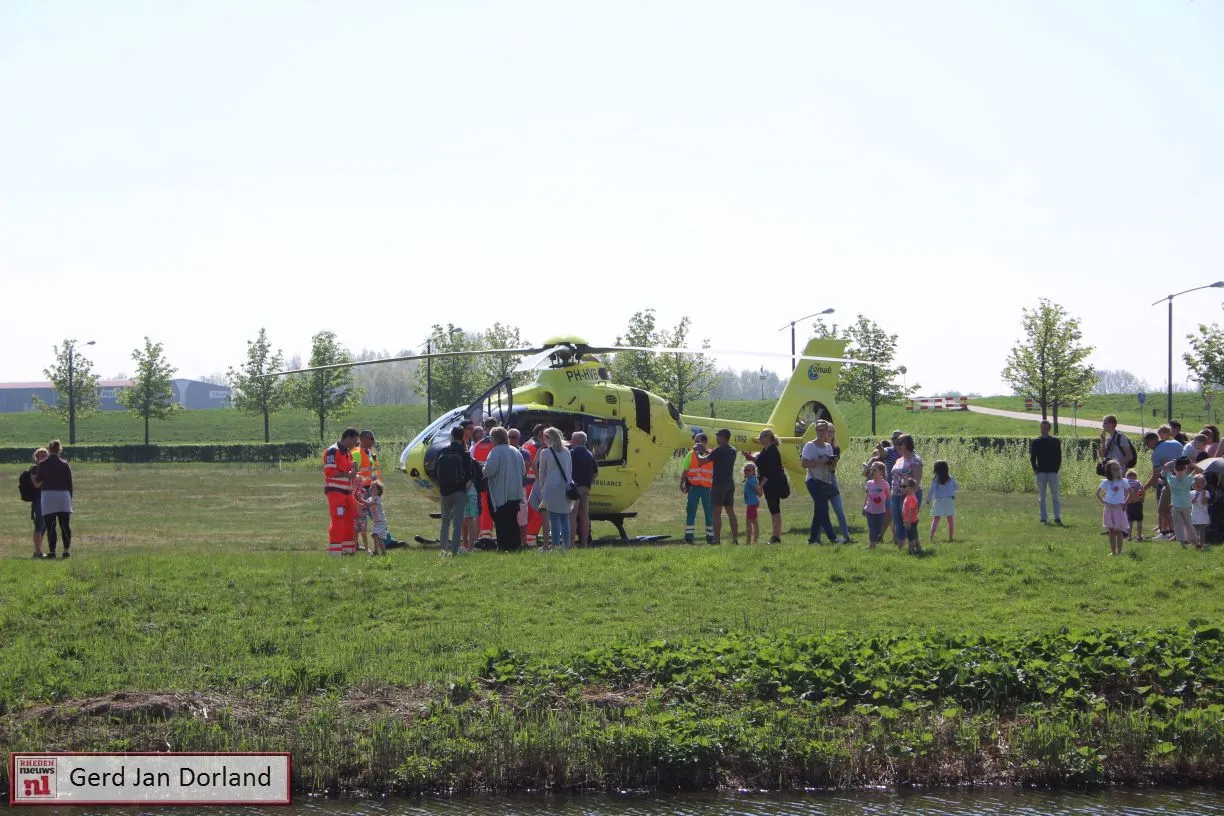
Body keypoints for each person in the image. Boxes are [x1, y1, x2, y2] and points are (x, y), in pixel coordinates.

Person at [481, 426, 525, 552]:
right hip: (515, 493)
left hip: (501, 493)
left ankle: (504, 546)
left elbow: (489, 471)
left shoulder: (495, 452)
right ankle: (516, 546)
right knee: (513, 521)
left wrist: (482, 468)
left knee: (501, 522)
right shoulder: (516, 451)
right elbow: (523, 470)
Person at [535, 427, 576, 551]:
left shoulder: (546, 452)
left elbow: (542, 473)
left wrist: (542, 489)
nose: (543, 439)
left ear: (548, 438)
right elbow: (569, 471)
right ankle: (566, 545)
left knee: (554, 517)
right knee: (564, 517)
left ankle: (555, 545)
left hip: (551, 487)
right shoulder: (567, 452)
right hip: (565, 487)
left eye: (544, 437)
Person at [322, 429, 361, 556]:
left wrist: (353, 467)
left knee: (349, 519)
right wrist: (348, 473)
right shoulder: (333, 450)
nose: (356, 444)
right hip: (335, 491)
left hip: (347, 491)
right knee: (338, 519)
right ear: (348, 438)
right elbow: (329, 471)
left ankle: (348, 550)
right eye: (355, 441)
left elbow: (347, 468)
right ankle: (335, 552)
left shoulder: (347, 453)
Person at [745, 428, 787, 543]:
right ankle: (775, 536)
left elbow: (770, 471)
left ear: (770, 438)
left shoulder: (772, 451)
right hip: (770, 484)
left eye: (763, 436)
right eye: (760, 436)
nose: (760, 438)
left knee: (775, 510)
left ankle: (776, 536)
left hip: (773, 484)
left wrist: (761, 485)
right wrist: (751, 458)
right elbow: (761, 463)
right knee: (773, 509)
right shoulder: (765, 450)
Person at [436, 426, 473, 556]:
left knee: (445, 521)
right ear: (462, 436)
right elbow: (469, 475)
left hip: (445, 491)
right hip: (459, 490)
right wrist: (464, 489)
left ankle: (442, 550)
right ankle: (455, 550)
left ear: (451, 436)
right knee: (457, 523)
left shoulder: (442, 451)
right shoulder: (465, 453)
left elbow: (436, 472)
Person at [801, 420, 838, 545]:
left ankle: (812, 539)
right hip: (813, 481)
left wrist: (832, 464)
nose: (822, 432)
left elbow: (830, 466)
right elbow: (804, 463)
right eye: (819, 429)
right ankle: (832, 537)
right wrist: (821, 461)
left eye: (824, 429)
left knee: (819, 511)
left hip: (825, 481)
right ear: (816, 431)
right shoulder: (810, 446)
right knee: (823, 508)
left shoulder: (828, 447)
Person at [1143, 427, 1184, 540]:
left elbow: (1155, 475)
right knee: (1176, 509)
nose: (1147, 446)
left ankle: (1168, 533)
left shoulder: (1156, 453)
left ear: (1151, 441)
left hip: (1171, 482)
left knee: (1162, 509)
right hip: (1184, 481)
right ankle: (1172, 532)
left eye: (1146, 443)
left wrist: (1144, 488)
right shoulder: (1176, 443)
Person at [35, 440, 74, 559]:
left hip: (48, 496)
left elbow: (38, 480)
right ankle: (66, 550)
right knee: (65, 525)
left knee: (51, 525)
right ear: (59, 450)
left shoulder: (42, 464)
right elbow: (69, 483)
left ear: (49, 449)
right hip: (63, 495)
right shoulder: (64, 464)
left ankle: (52, 551)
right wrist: (70, 498)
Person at [889, 434, 924, 547]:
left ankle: (914, 546)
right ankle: (901, 546)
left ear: (908, 444)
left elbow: (917, 483)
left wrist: (910, 496)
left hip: (908, 496)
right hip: (895, 494)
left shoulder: (915, 460)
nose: (898, 446)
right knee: (898, 521)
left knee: (909, 522)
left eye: (901, 443)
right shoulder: (899, 460)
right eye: (897, 444)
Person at [682, 433, 715, 544]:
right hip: (693, 488)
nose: (695, 444)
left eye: (697, 442)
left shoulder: (712, 454)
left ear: (705, 442)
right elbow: (685, 470)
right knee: (691, 511)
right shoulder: (691, 454)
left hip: (707, 489)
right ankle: (689, 536)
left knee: (709, 512)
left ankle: (710, 537)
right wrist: (681, 483)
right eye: (694, 442)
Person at [708, 429, 740, 545]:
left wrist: (696, 452)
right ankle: (735, 539)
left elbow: (703, 460)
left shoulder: (717, 450)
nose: (716, 438)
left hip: (718, 484)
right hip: (729, 484)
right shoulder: (733, 450)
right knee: (731, 512)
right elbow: (716, 455)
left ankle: (717, 540)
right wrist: (707, 450)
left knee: (716, 513)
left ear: (722, 437)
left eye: (717, 436)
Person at [568, 431, 598, 548]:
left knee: (572, 515)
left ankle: (571, 543)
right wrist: (589, 484)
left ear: (577, 441)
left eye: (572, 439)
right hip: (585, 488)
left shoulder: (571, 453)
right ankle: (585, 543)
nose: (571, 441)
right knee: (584, 516)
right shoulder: (590, 454)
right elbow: (595, 473)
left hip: (574, 489)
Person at [1030, 420, 1062, 525]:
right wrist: (1035, 469)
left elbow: (1059, 457)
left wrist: (1056, 469)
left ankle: (1057, 517)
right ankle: (1043, 518)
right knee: (1042, 496)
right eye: (1042, 427)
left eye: (1045, 428)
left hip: (1053, 472)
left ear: (1049, 429)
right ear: (1040, 428)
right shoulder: (1036, 442)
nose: (1044, 429)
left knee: (1055, 496)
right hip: (1041, 472)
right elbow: (1032, 457)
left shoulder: (1055, 441)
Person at [1163, 457, 1197, 549]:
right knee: (1189, 524)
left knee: (1178, 525)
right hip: (1186, 505)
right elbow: (1197, 469)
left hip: (1175, 505)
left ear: (1175, 470)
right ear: (1185, 469)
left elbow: (1166, 466)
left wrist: (1174, 461)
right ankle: (1195, 542)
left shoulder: (1171, 480)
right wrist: (1190, 463)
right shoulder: (1188, 479)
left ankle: (1182, 544)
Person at [21, 447, 49, 558]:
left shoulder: (48, 468)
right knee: (39, 524)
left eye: (45, 454)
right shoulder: (33, 470)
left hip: (48, 499)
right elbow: (36, 485)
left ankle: (38, 550)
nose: (43, 456)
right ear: (36, 457)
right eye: (41, 455)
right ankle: (37, 552)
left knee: (44, 526)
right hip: (39, 500)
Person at [1097, 460, 1129, 556]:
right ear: (1109, 471)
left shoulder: (1122, 482)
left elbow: (1129, 492)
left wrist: (1125, 502)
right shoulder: (1106, 482)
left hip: (1119, 508)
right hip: (1109, 509)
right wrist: (1104, 502)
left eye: (1119, 469)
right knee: (1111, 531)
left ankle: (1119, 552)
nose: (1117, 471)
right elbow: (1097, 493)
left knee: (1118, 530)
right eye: (1114, 469)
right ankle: (1113, 552)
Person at [826, 427, 852, 543]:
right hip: (819, 481)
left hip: (831, 479)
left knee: (839, 510)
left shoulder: (836, 448)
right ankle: (815, 538)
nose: (830, 433)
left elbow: (833, 466)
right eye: (828, 431)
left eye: (832, 431)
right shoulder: (818, 447)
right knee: (821, 510)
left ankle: (846, 536)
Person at [469, 425, 495, 540]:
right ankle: (483, 535)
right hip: (488, 482)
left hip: (480, 483)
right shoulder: (492, 445)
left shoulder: (478, 446)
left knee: (483, 508)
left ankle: (482, 534)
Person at [926, 460, 958, 543]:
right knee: (950, 519)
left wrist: (928, 500)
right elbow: (957, 486)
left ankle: (931, 537)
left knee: (936, 518)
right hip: (949, 500)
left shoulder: (935, 479)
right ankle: (950, 538)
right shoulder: (950, 478)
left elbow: (931, 490)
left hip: (939, 500)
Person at [863, 461, 891, 548]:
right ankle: (872, 545)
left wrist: (881, 498)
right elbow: (867, 496)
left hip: (880, 511)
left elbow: (888, 496)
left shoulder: (885, 484)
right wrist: (864, 507)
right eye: (871, 469)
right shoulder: (869, 483)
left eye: (874, 470)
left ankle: (874, 542)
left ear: (881, 471)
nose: (872, 472)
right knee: (872, 528)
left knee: (878, 529)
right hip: (869, 510)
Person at [742, 461, 762, 544]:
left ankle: (748, 542)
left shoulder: (751, 481)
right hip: (752, 503)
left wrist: (759, 488)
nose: (746, 472)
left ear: (753, 471)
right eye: (745, 470)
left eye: (748, 470)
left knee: (749, 523)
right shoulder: (751, 480)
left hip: (752, 504)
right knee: (754, 522)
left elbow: (759, 493)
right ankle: (754, 541)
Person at [366, 483, 388, 556]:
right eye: (371, 486)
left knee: (375, 535)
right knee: (379, 538)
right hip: (376, 522)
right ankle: (384, 553)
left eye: (374, 487)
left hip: (381, 521)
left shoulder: (377, 498)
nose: (371, 488)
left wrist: (360, 499)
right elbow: (364, 505)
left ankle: (376, 552)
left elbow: (371, 505)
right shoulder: (369, 499)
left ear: (378, 491)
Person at [1124, 469, 1146, 542]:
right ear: (1135, 476)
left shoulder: (1125, 482)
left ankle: (1129, 536)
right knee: (1139, 520)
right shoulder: (1137, 482)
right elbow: (1142, 489)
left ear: (1127, 476)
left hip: (1129, 504)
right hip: (1137, 503)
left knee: (1130, 520)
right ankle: (1139, 536)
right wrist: (1142, 498)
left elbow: (1123, 492)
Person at [901, 478, 921, 554]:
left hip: (911, 521)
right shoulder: (909, 496)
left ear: (912, 488)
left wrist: (908, 522)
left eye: (904, 486)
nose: (902, 488)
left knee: (911, 538)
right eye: (901, 486)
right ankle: (919, 549)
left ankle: (912, 551)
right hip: (912, 520)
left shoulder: (911, 498)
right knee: (915, 536)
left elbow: (910, 511)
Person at [1191, 473, 1212, 549]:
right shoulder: (1191, 493)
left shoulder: (1206, 492)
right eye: (1197, 483)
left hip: (1202, 514)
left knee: (1202, 530)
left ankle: (1202, 543)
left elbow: (1204, 502)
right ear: (1194, 484)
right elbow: (1192, 502)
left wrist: (1203, 495)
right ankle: (1197, 544)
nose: (1199, 485)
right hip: (1195, 514)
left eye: (1201, 483)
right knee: (1195, 530)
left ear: (1204, 484)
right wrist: (1196, 496)